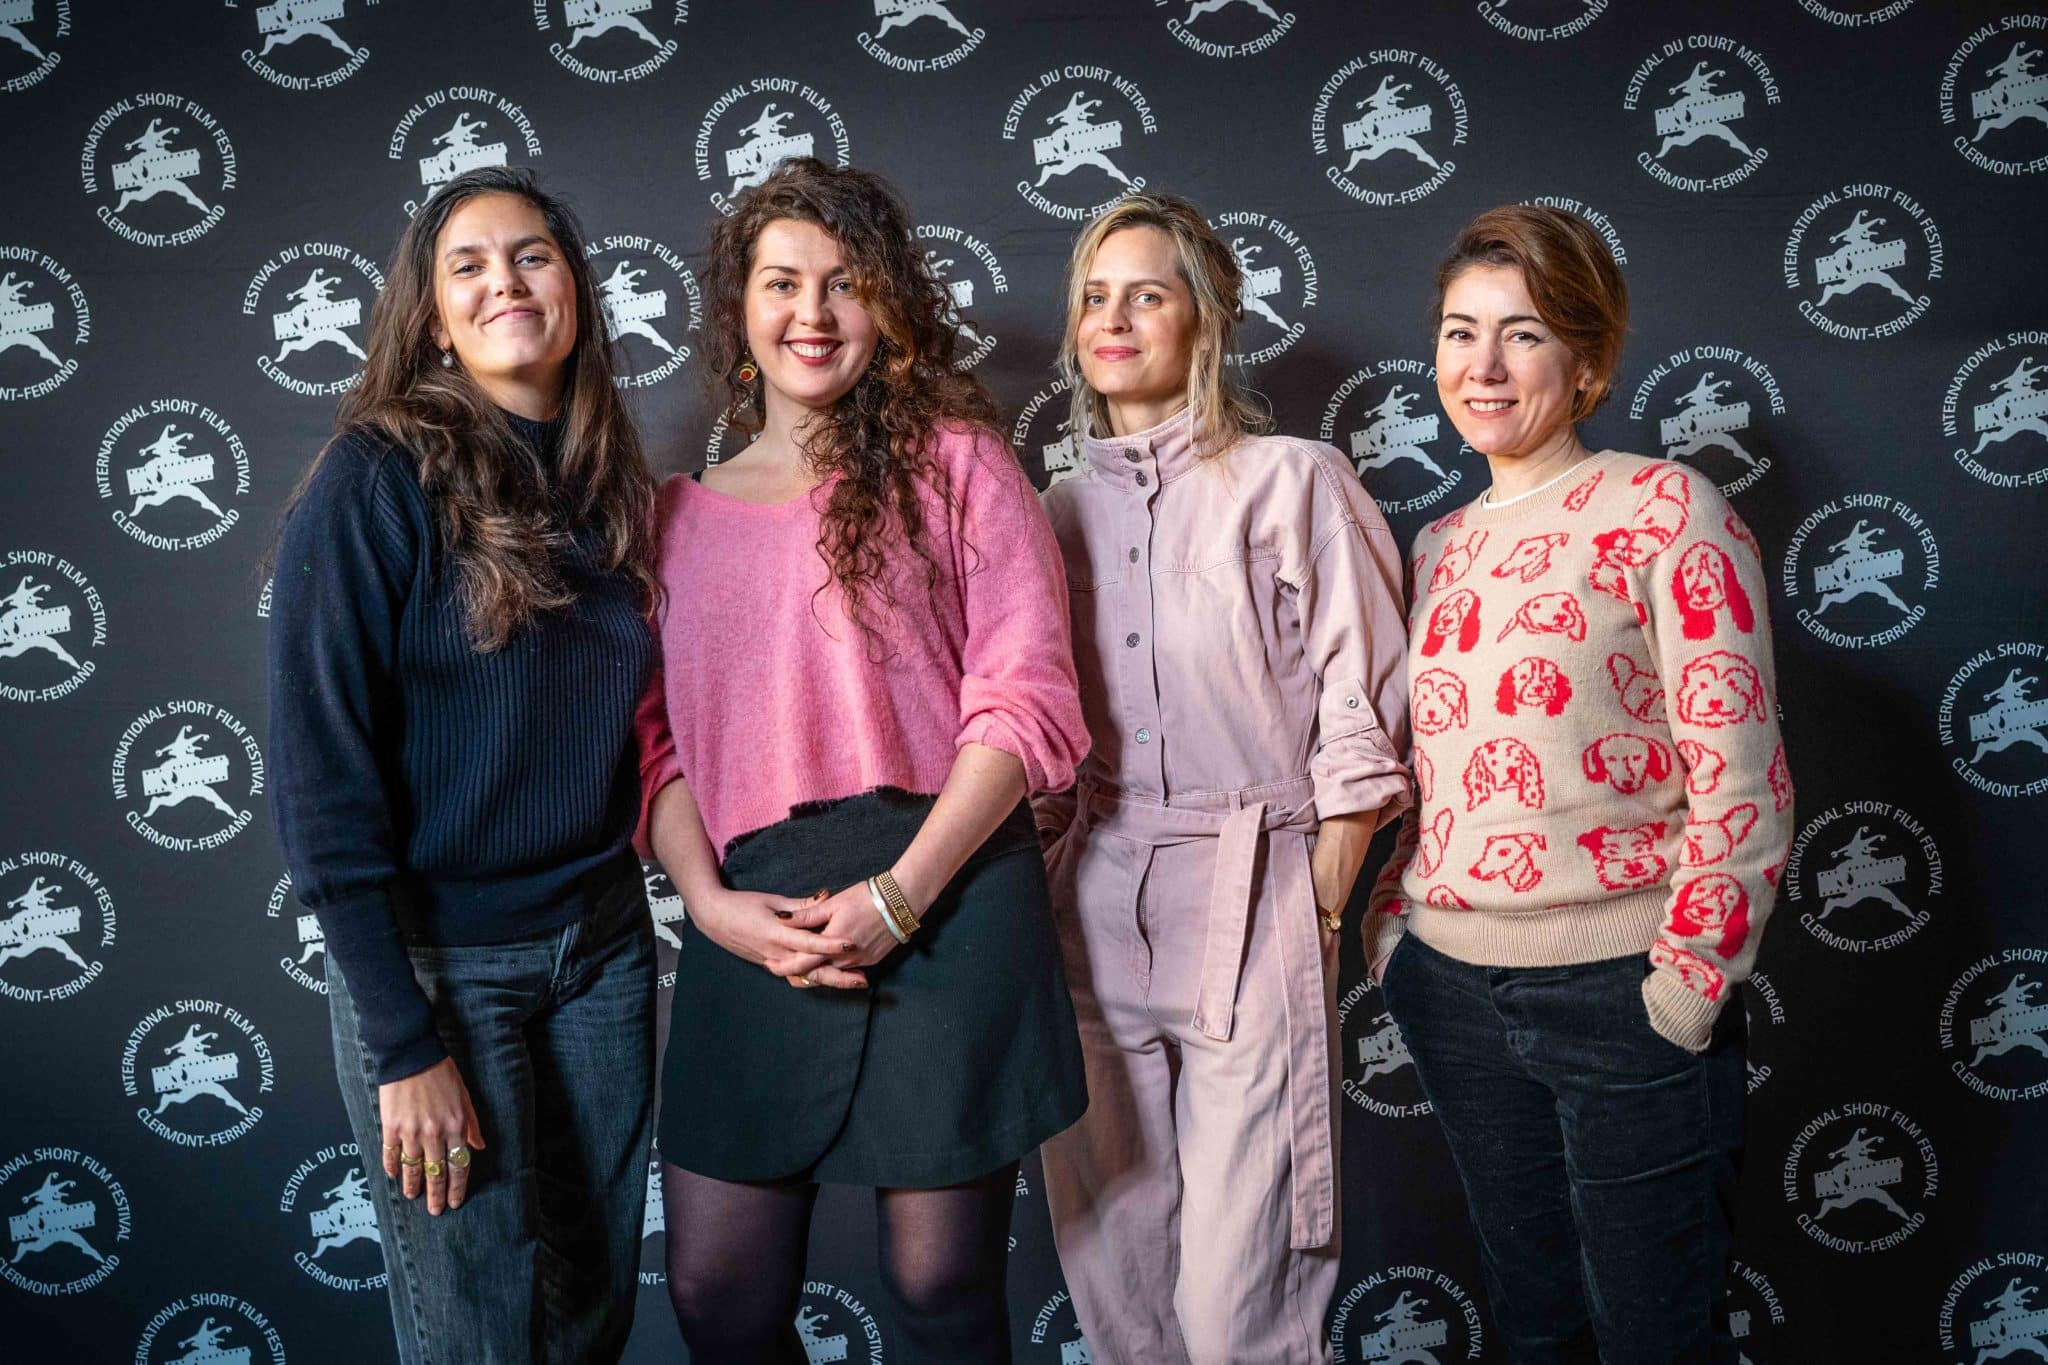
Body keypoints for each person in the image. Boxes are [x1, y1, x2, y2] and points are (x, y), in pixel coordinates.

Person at [637, 158, 1089, 1364]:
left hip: (944, 890)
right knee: (716, 1294)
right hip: (755, 912)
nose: (813, 313)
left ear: (888, 306)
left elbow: (1026, 699)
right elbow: (652, 744)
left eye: (845, 284)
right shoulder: (669, 516)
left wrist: (904, 892)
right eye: (782, 283)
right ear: (739, 310)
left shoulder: (958, 465)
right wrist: (709, 906)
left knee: (937, 1286)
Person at [1368, 204, 1791, 1363]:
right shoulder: (1434, 545)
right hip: (1454, 990)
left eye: (1522, 333)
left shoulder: (1665, 509)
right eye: (1459, 333)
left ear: (1588, 359)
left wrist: (1685, 984)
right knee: (1533, 1324)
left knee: (1653, 1334)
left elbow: (1740, 778)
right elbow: (1428, 769)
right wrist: (1395, 931)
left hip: (1621, 996)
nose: (1483, 367)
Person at [268, 166, 659, 1365]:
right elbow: (319, 777)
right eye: (470, 265)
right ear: (433, 314)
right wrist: (403, 1043)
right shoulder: (374, 481)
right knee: (478, 1328)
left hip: (600, 953)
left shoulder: (610, 482)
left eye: (533, 255)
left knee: (591, 1309)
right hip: (442, 972)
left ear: (577, 290)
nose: (507, 282)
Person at [1034, 192, 1412, 1365]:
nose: (1115, 318)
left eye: (1146, 293)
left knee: (1236, 1303)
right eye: (1095, 296)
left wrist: (1324, 890)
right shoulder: (1051, 507)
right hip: (1092, 892)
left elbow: (1367, 698)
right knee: (1118, 1281)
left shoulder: (1290, 480)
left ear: (1206, 321)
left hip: (1256, 880)